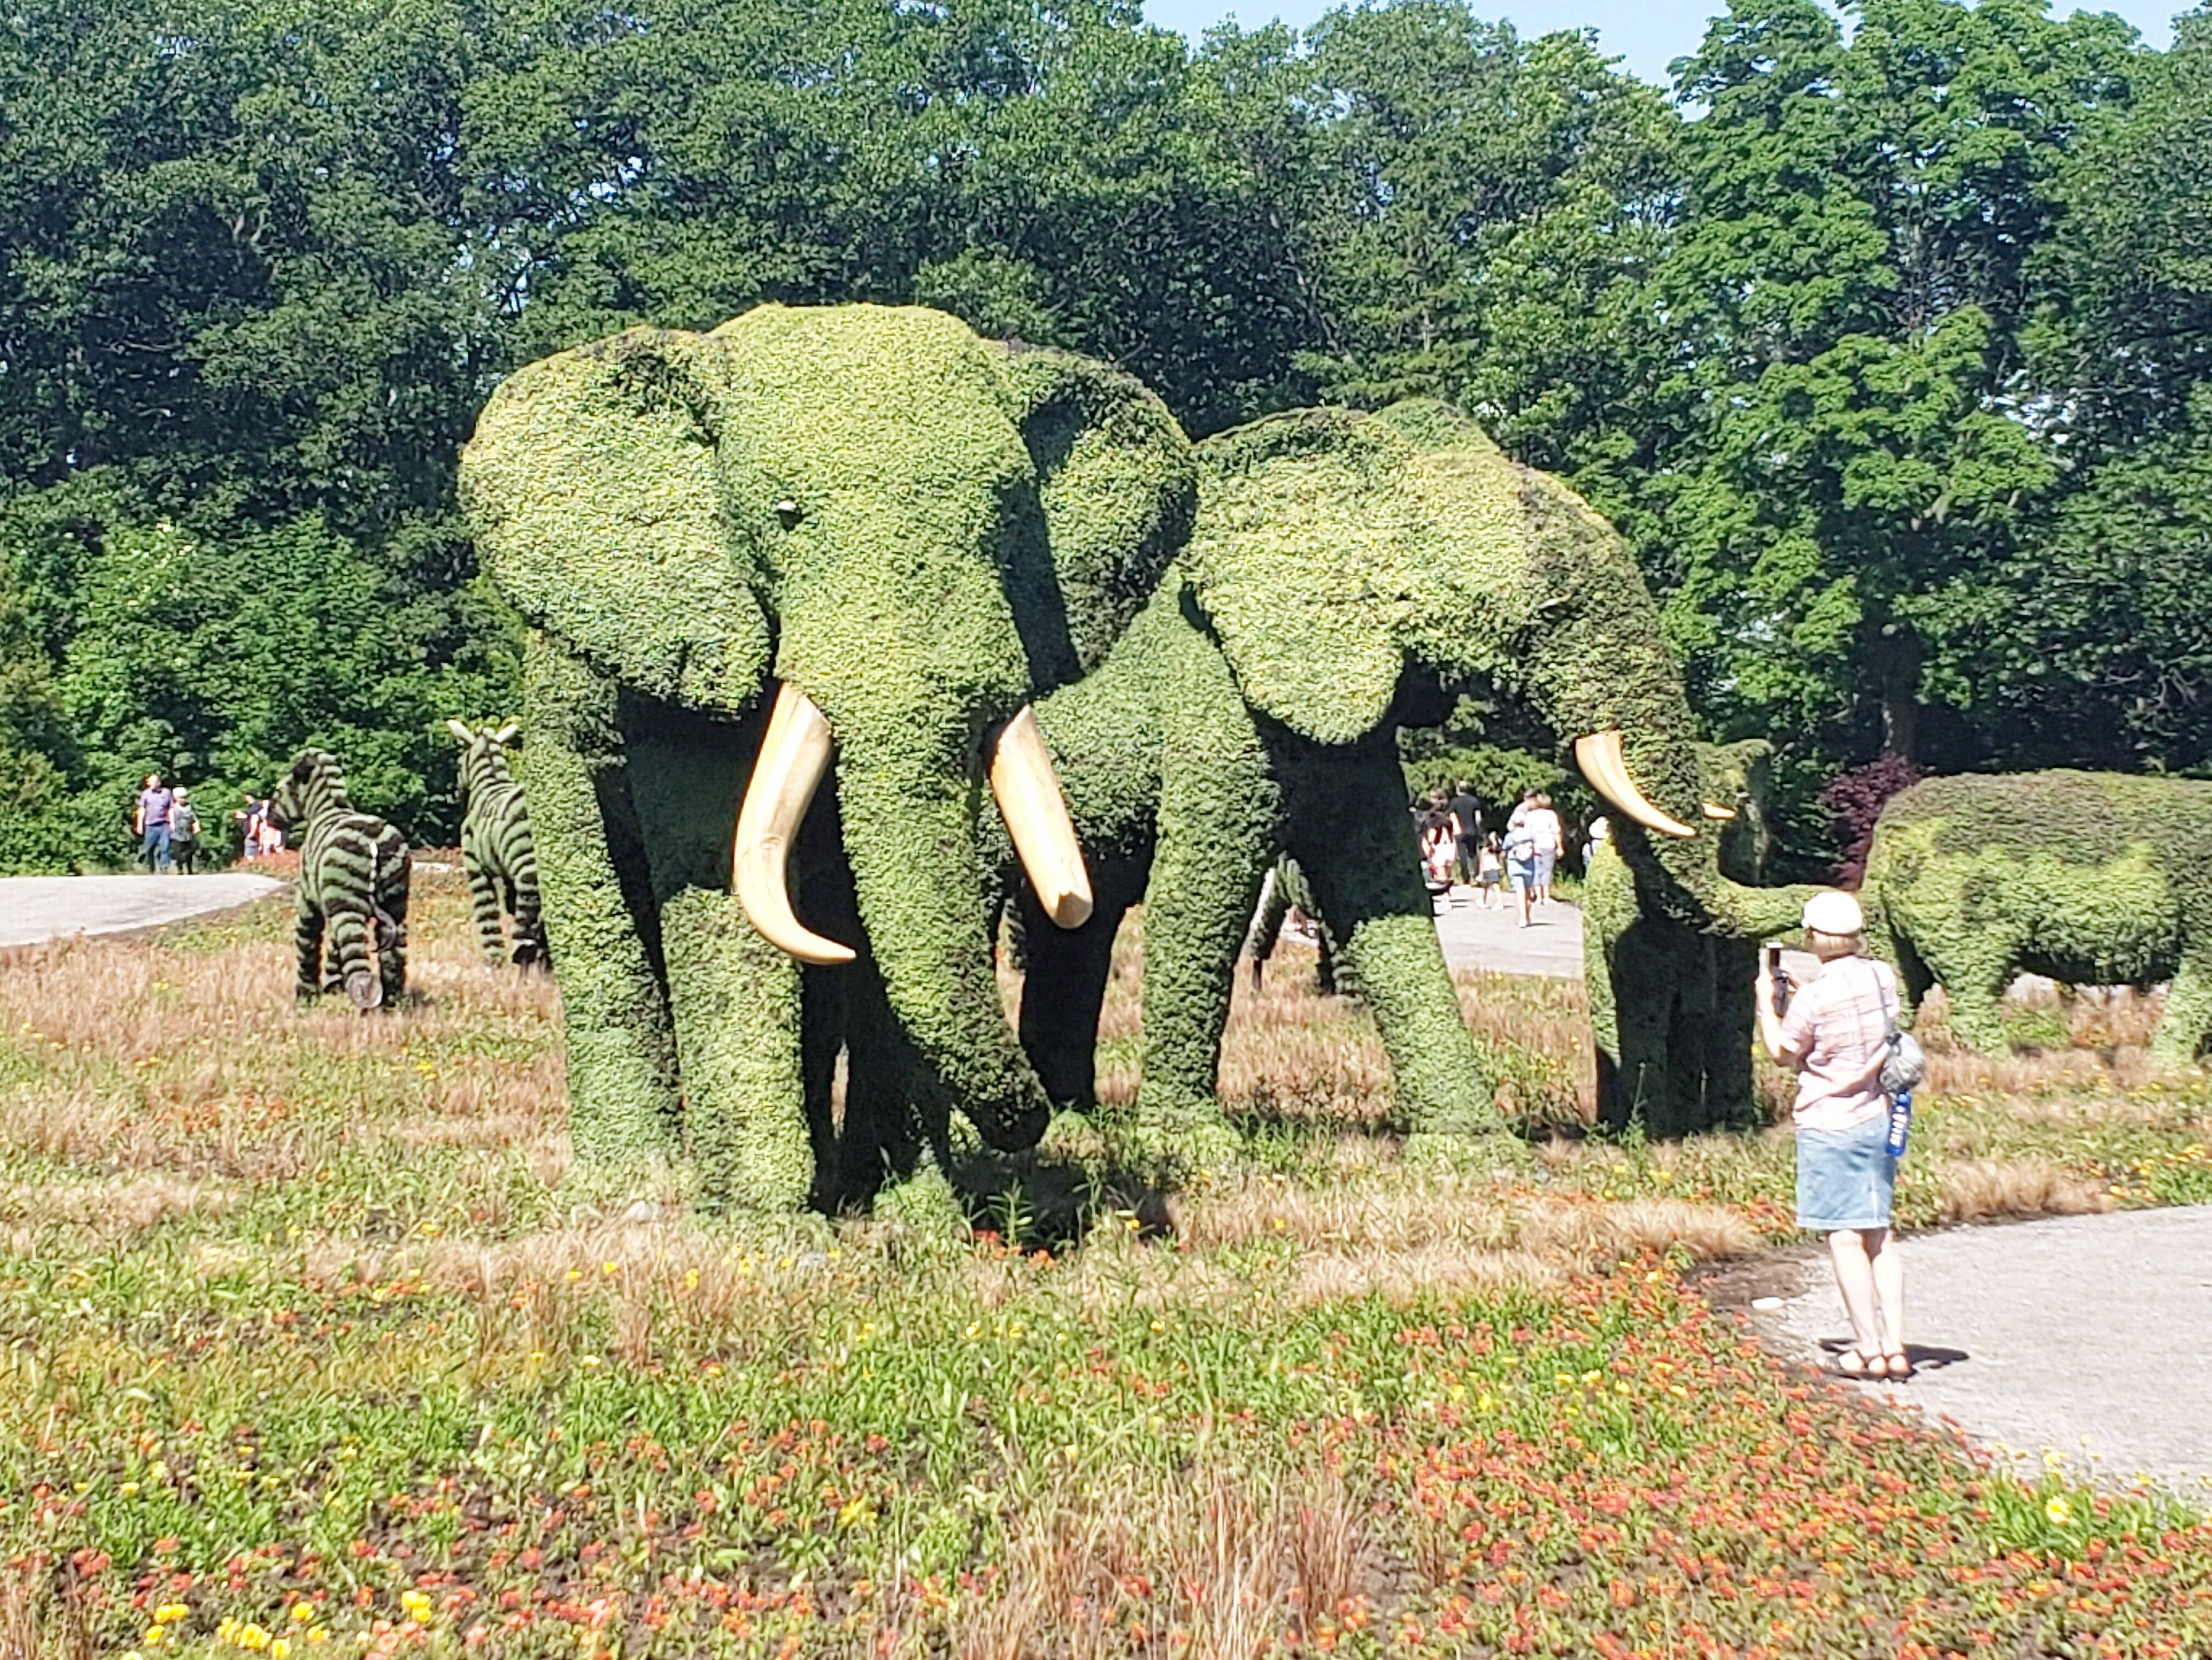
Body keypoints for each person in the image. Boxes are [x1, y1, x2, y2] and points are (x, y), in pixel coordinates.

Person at [1755, 890, 1911, 1382]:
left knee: (1844, 1238)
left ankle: (1867, 1348)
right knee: (1879, 1233)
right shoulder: (1881, 976)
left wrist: (1766, 1005)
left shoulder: (1815, 998)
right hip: (1877, 1117)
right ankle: (1895, 1345)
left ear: (1814, 937)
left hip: (1829, 1123)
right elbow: (1870, 1022)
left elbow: (1783, 1051)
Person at [1503, 806, 1539, 927]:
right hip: (1529, 865)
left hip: (1515, 865)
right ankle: (1527, 915)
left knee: (1520, 890)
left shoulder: (1510, 836)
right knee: (1527, 890)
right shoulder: (1531, 835)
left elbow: (1504, 848)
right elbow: (1537, 850)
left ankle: (1523, 918)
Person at [1526, 792, 1565, 904]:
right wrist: (1560, 847)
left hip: (1535, 845)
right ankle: (1546, 897)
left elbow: (1528, 832)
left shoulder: (1531, 815)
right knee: (1547, 871)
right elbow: (1556, 831)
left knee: (1537, 870)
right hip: (1549, 844)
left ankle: (1539, 897)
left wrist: (1533, 844)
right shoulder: (1551, 815)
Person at [135, 774, 173, 874]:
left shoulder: (166, 793)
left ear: (159, 783)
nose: (151, 784)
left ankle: (164, 868)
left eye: (154, 782)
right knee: (149, 848)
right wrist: (140, 824)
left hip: (164, 824)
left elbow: (170, 808)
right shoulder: (146, 794)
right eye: (150, 782)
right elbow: (142, 809)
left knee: (165, 847)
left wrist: (172, 823)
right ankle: (150, 867)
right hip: (151, 825)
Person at [1449, 781, 1483, 883]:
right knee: (1473, 853)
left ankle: (1466, 877)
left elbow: (1452, 816)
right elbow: (1478, 819)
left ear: (1458, 790)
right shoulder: (1474, 801)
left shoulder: (1454, 802)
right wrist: (1479, 830)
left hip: (1459, 831)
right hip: (1472, 830)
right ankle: (1475, 875)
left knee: (1462, 854)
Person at [168, 789, 202, 874]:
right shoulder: (174, 808)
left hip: (188, 832)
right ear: (176, 798)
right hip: (177, 833)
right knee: (178, 852)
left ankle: (189, 869)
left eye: (184, 797)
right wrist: (172, 826)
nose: (182, 799)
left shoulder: (189, 807)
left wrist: (197, 826)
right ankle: (179, 869)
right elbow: (171, 820)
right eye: (180, 798)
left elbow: (194, 818)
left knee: (190, 851)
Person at [1475, 832, 1504, 909]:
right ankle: (1483, 901)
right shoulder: (1497, 850)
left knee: (1495, 885)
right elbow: (1499, 860)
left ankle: (1500, 902)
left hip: (1487, 869)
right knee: (1487, 886)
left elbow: (1482, 862)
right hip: (1495, 868)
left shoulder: (1485, 850)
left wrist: (1481, 873)